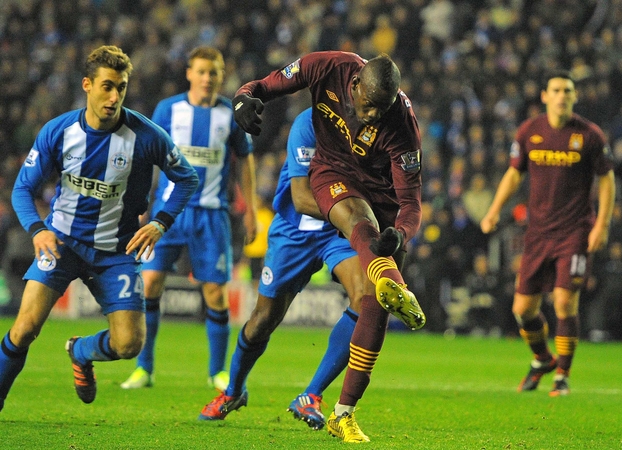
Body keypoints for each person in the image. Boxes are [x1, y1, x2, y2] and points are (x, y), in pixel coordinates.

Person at [229, 51, 425, 442]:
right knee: (357, 218)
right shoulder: (327, 67)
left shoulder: (402, 125)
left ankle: (342, 413)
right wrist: (243, 99)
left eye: (382, 109)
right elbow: (264, 86)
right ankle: (393, 281)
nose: (373, 116)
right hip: (331, 178)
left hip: (382, 199)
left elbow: (411, 204)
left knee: (373, 303)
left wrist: (401, 235)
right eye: (369, 105)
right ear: (355, 84)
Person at [0, 45, 198, 412]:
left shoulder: (146, 136)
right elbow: (22, 189)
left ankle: (81, 351)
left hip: (115, 252)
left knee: (129, 345)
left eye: (121, 88)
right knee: (24, 328)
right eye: (107, 87)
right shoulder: (59, 131)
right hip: (61, 243)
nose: (114, 97)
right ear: (87, 85)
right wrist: (37, 230)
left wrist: (160, 222)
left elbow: (187, 179)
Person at [198, 108, 364, 431]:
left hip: (339, 232)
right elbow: (301, 199)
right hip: (295, 229)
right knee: (263, 320)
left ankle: (311, 395)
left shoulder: (373, 131)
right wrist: (357, 215)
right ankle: (233, 391)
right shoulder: (309, 123)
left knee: (365, 296)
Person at [120, 46, 256, 391]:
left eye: (213, 72)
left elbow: (245, 159)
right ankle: (144, 368)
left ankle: (217, 372)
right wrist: (139, 199)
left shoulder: (230, 114)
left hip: (212, 215)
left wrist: (252, 210)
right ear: (189, 74)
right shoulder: (168, 109)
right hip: (168, 214)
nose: (207, 78)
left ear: (221, 75)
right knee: (150, 283)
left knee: (215, 293)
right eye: (201, 71)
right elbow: (147, 155)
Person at [481, 70, 615, 397]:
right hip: (538, 233)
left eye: (568, 90)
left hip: (575, 231)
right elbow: (514, 174)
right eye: (556, 90)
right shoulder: (529, 131)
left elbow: (607, 179)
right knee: (522, 309)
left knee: (564, 302)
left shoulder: (589, 135)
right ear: (544, 96)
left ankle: (563, 376)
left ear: (575, 96)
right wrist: (494, 210)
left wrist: (602, 224)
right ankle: (542, 359)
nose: (562, 96)